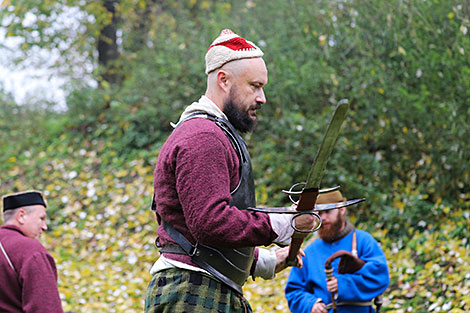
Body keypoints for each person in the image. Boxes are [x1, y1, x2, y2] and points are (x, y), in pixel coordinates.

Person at [145, 29, 316, 313]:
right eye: (254, 86)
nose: (262, 98)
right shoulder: (204, 136)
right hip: (192, 293)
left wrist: (266, 261)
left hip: (201, 289)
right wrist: (283, 224)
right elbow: (210, 222)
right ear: (223, 80)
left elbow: (197, 236)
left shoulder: (212, 132)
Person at [285, 191, 390, 313]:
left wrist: (344, 285)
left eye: (328, 212)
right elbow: (294, 291)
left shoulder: (363, 241)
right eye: (319, 213)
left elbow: (380, 276)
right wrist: (310, 305)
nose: (323, 218)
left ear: (342, 210)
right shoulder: (309, 251)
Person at [0, 190, 64, 313]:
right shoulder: (30, 251)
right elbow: (45, 308)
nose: (44, 226)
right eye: (42, 218)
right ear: (21, 216)